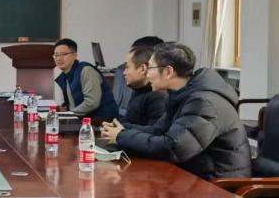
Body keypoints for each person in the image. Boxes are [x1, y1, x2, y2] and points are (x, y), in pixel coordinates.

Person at [100, 42, 251, 179]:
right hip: (195, 175)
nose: (147, 74)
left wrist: (122, 136)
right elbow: (158, 130)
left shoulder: (203, 103)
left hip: (219, 185)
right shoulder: (181, 95)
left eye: (150, 68)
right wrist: (123, 129)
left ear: (168, 71)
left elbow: (174, 148)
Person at [52, 38, 118, 120]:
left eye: (63, 54)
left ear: (75, 55)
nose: (58, 59)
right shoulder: (66, 75)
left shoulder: (86, 71)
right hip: (84, 120)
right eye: (56, 55)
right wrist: (65, 109)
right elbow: (74, 104)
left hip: (103, 121)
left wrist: (69, 114)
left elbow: (92, 102)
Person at [120, 46, 167, 127]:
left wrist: (121, 130)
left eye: (127, 67)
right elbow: (130, 121)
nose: (124, 73)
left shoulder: (157, 97)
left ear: (142, 69)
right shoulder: (138, 91)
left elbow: (154, 132)